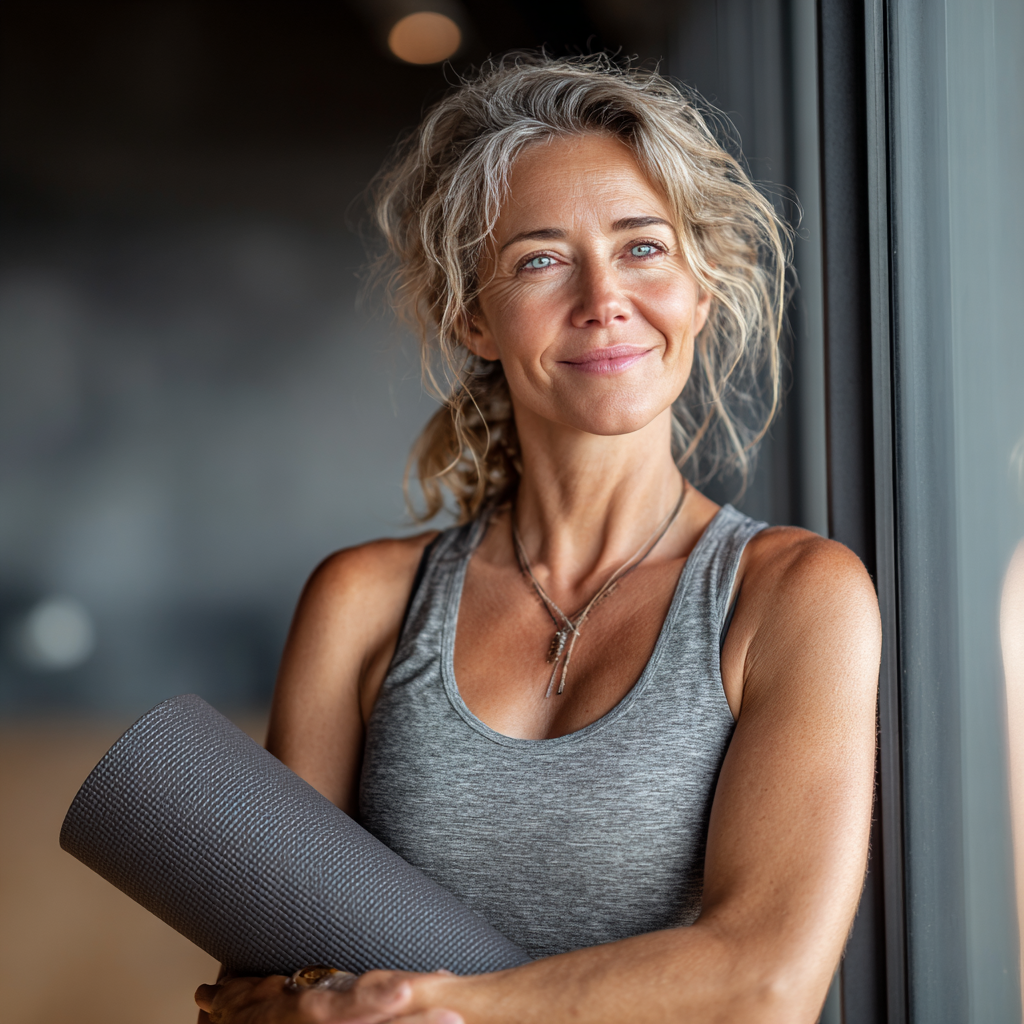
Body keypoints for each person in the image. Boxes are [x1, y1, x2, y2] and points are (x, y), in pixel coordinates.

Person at [196, 54, 880, 1024]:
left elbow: (765, 983)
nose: (603, 298)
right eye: (541, 259)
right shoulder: (363, 602)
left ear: (701, 287)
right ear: (473, 314)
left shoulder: (792, 595)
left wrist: (430, 1003)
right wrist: (302, 1011)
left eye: (643, 248)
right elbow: (247, 985)